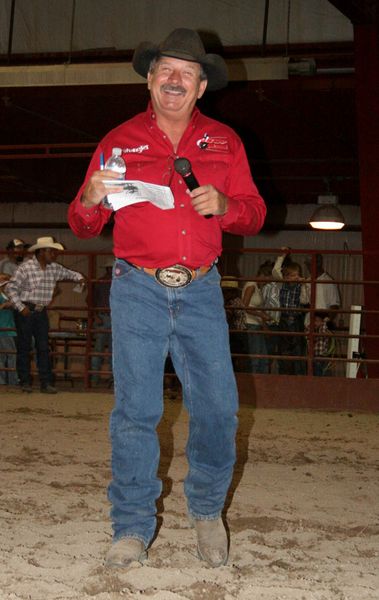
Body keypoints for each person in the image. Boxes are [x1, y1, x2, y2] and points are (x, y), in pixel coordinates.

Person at [68, 28, 266, 569]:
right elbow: (84, 224)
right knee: (135, 410)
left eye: (186, 73)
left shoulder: (226, 142)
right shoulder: (118, 139)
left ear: (202, 86)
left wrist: (226, 204)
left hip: (201, 287)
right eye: (165, 70)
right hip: (137, 288)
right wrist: (89, 197)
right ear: (151, 79)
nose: (174, 80)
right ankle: (131, 528)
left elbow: (255, 213)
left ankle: (206, 513)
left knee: (219, 408)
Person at [6, 236, 85, 394]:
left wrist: (80, 277)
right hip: (26, 309)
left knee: (43, 347)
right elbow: (10, 289)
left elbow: (70, 273)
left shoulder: (54, 268)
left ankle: (45, 383)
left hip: (39, 311)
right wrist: (20, 307)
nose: (54, 254)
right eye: (52, 251)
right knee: (25, 347)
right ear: (41, 252)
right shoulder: (26, 268)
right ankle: (26, 381)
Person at [273, 250, 310, 375]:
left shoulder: (301, 286)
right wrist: (282, 256)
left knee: (298, 349)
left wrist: (304, 285)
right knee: (283, 349)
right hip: (284, 318)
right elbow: (275, 272)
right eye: (291, 275)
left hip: (296, 319)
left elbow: (305, 300)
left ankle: (299, 376)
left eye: (296, 275)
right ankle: (284, 374)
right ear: (286, 276)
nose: (293, 278)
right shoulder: (281, 284)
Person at [241, 265, 270, 374]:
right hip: (251, 324)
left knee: (261, 356)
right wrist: (262, 316)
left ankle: (260, 380)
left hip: (255, 324)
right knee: (257, 356)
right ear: (263, 275)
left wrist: (263, 324)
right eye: (267, 279)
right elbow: (245, 306)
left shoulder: (257, 287)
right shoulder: (252, 285)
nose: (267, 282)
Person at [90, 261, 113, 385]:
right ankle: (109, 378)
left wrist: (95, 316)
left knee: (100, 349)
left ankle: (95, 377)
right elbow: (90, 300)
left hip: (104, 317)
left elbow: (90, 300)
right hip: (106, 317)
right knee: (110, 350)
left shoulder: (99, 282)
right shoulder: (101, 282)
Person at [304, 254, 341, 327]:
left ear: (318, 263)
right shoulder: (307, 281)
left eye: (310, 264)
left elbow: (334, 305)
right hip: (308, 324)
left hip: (322, 323)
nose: (308, 268)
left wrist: (325, 321)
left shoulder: (329, 282)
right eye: (307, 265)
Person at [221, 276, 247, 371]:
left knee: (233, 353)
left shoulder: (233, 302)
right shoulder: (233, 301)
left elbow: (228, 316)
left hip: (235, 332)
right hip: (233, 332)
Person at [0, 274, 18, 386]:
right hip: (5, 329)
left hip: (5, 328)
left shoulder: (4, 296)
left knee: (2, 355)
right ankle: (12, 380)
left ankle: (2, 381)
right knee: (11, 354)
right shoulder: (4, 297)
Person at [305, 311, 334, 376]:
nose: (316, 323)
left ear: (322, 322)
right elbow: (308, 336)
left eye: (318, 321)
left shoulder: (323, 328)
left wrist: (323, 324)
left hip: (323, 356)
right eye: (315, 320)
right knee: (316, 372)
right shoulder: (310, 328)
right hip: (314, 356)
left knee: (322, 373)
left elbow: (329, 334)